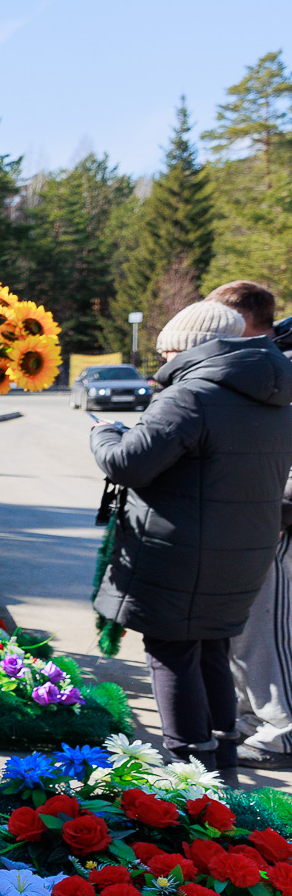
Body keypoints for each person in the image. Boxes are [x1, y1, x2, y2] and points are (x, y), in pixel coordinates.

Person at [93, 300, 292, 781]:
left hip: (181, 553)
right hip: (242, 554)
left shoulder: (191, 395)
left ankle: (185, 769)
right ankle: (220, 763)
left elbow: (128, 463)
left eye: (165, 353)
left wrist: (103, 434)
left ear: (184, 347)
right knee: (211, 652)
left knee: (171, 653)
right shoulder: (276, 394)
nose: (163, 363)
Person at [206, 283, 292, 768]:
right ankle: (250, 712)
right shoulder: (268, 360)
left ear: (242, 320)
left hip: (276, 520)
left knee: (267, 629)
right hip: (251, 514)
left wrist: (280, 510)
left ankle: (282, 728)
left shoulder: (282, 366)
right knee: (241, 631)